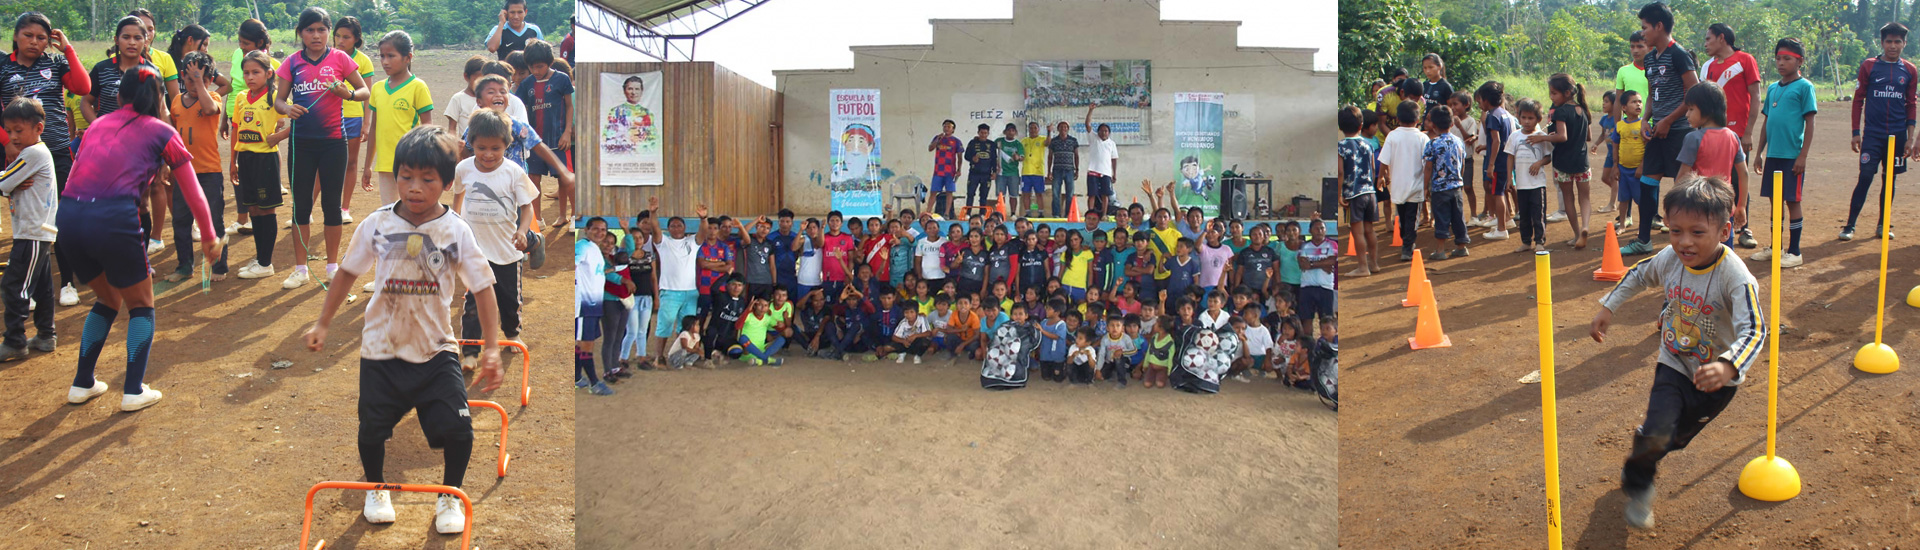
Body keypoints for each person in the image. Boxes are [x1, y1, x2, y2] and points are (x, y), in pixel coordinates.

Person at [301, 125, 501, 534]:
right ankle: (377, 487)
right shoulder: (377, 223)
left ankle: (450, 496)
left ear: (446, 183)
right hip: (382, 348)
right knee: (372, 430)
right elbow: (347, 274)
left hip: (435, 350)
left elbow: (482, 288)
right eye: (406, 176)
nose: (414, 187)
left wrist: (493, 347)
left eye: (427, 180)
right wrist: (323, 322)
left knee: (459, 431)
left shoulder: (455, 230)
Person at [1589, 178, 1762, 530]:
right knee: (1657, 433)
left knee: (1673, 440)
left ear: (1725, 230)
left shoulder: (1736, 277)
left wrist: (1728, 366)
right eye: (1675, 231)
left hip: (1716, 381)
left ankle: (1644, 451)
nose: (1684, 242)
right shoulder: (1670, 258)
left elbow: (1755, 330)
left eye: (1698, 232)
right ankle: (1639, 484)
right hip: (1673, 363)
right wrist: (1609, 307)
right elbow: (1638, 274)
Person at [59, 65, 219, 412]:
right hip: (114, 219)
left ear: (118, 97)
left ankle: (82, 382)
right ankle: (133, 389)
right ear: (161, 98)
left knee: (106, 300)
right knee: (142, 305)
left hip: (69, 217)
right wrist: (208, 235)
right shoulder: (161, 132)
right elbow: (193, 192)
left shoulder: (97, 124)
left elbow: (81, 165)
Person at [275, 8, 372, 289]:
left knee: (331, 205)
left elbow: (365, 91)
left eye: (321, 29)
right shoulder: (292, 62)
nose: (315, 35)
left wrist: (348, 94)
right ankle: (300, 268)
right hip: (301, 143)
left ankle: (332, 266)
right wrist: (287, 107)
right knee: (301, 206)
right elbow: (279, 100)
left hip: (333, 142)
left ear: (328, 31)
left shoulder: (340, 58)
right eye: (309, 30)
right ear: (300, 33)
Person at [5, 13, 89, 307]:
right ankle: (27, 287)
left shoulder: (55, 63)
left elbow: (83, 87)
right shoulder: (3, 66)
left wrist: (67, 48)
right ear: (16, 36)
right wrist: (9, 145)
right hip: (15, 153)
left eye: (42, 38)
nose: (35, 42)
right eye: (28, 35)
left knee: (59, 216)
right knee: (26, 217)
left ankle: (67, 282)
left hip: (54, 152)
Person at [451, 108, 537, 370]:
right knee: (473, 303)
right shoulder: (463, 168)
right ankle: (470, 352)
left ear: (506, 145)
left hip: (507, 250)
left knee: (509, 301)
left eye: (495, 148)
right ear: (472, 144)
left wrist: (522, 231)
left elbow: (527, 207)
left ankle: (512, 334)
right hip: (475, 251)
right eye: (481, 147)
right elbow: (457, 196)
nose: (488, 154)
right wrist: (454, 222)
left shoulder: (513, 172)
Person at [1625, 2, 1698, 256]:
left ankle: (1688, 243)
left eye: (1645, 27)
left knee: (1684, 189)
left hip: (1679, 131)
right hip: (1658, 130)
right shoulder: (1650, 59)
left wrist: (1669, 120)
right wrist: (1647, 119)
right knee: (1646, 182)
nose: (1642, 33)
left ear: (1659, 26)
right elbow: (1652, 96)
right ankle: (1644, 240)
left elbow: (1694, 92)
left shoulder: (1679, 54)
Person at [1845, 22, 1918, 241]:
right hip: (1873, 135)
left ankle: (1882, 224)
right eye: (1889, 41)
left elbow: (1911, 104)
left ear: (1904, 43)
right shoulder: (1869, 66)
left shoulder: (1910, 70)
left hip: (1897, 135)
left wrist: (1910, 136)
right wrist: (1855, 131)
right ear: (1882, 42)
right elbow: (1858, 100)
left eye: (1897, 42)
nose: (1893, 46)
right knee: (1866, 176)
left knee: (1890, 180)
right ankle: (1849, 225)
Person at [1748, 38, 1817, 268]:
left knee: (1792, 200)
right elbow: (1767, 122)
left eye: (1787, 58)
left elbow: (1810, 123)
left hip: (1791, 157)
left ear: (1800, 61)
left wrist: (1803, 156)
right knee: (1774, 202)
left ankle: (1795, 251)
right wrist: (1759, 153)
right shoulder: (1773, 88)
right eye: (1778, 58)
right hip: (1773, 156)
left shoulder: (1805, 87)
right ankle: (1776, 247)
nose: (1781, 62)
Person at [0, 98, 59, 360]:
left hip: (32, 232)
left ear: (38, 128)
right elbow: (7, 182)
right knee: (41, 287)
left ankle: (14, 341)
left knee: (14, 286)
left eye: (18, 130)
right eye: (8, 131)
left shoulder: (32, 153)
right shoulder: (32, 152)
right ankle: (46, 335)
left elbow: (3, 182)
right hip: (37, 231)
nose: (12, 137)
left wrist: (8, 182)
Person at [163, 52, 229, 284]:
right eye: (189, 79)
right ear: (182, 77)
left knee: (214, 219)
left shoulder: (212, 97)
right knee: (180, 220)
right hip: (183, 172)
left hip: (209, 171)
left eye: (200, 79)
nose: (194, 84)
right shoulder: (176, 102)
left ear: (209, 80)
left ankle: (219, 266)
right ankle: (184, 266)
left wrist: (199, 81)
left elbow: (210, 110)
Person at [1702, 22, 1763, 249]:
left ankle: (1743, 227)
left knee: (1739, 179)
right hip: (1714, 134)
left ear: (1721, 38)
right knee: (1716, 179)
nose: (1705, 44)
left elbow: (1755, 96)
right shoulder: (1709, 68)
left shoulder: (1745, 60)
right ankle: (1716, 226)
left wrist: (1748, 132)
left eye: (1708, 39)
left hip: (1738, 134)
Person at [363, 30, 434, 210]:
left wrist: (426, 162)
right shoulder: (378, 89)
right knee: (389, 211)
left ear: (407, 57)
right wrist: (368, 166)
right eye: (382, 56)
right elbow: (374, 129)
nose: (385, 61)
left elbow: (428, 129)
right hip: (385, 164)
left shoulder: (418, 86)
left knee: (412, 209)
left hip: (411, 163)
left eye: (391, 56)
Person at [1675, 84, 1749, 242]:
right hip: (1725, 206)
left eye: (1691, 109)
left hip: (1698, 207)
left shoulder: (1693, 138)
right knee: (1725, 253)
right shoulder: (1733, 136)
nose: (1687, 114)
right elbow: (1744, 174)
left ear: (1706, 109)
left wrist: (1673, 206)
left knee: (1700, 254)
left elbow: (1681, 177)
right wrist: (1741, 205)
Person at [1528, 73, 1592, 250]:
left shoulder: (1561, 112)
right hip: (1582, 162)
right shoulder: (1582, 109)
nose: (1551, 97)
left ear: (1566, 93)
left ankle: (1577, 234)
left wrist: (1542, 138)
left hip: (1563, 163)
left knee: (1569, 198)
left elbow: (1562, 136)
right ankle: (1586, 226)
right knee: (1585, 198)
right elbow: (1588, 136)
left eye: (1554, 93)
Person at [516, 39, 573, 230]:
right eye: (532, 67)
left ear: (549, 62)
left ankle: (571, 216)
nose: (536, 71)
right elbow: (520, 108)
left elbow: (569, 105)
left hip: (558, 140)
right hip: (534, 143)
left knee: (565, 178)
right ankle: (537, 219)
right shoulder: (526, 84)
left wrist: (567, 132)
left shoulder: (562, 79)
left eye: (539, 66)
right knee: (534, 179)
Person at [333, 17, 376, 226]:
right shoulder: (327, 56)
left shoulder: (364, 61)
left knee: (350, 163)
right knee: (321, 164)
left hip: (353, 117)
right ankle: (308, 209)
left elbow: (367, 94)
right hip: (329, 116)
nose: (341, 40)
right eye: (338, 35)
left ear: (356, 39)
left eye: (346, 37)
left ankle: (344, 208)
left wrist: (366, 124)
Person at [1380, 101, 1429, 260]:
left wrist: (1381, 176)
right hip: (1416, 185)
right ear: (1418, 119)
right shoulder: (1423, 138)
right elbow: (1427, 164)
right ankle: (1407, 247)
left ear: (1397, 118)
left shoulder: (1392, 136)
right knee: (1412, 218)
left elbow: (1384, 160)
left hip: (1398, 186)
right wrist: (1427, 184)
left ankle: (1406, 245)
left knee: (1402, 216)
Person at [1424, 106, 1471, 259]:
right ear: (1452, 123)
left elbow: (1428, 168)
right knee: (1458, 216)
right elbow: (1462, 163)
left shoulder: (1432, 144)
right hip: (1456, 186)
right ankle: (1461, 246)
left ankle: (1440, 250)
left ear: (1433, 125)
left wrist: (1425, 187)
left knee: (1441, 217)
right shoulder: (1458, 141)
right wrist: (1460, 179)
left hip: (1440, 188)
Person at [573, 218, 614, 393]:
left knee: (581, 342)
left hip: (593, 304)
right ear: (586, 229)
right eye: (595, 229)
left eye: (603, 229)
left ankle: (576, 377)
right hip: (585, 304)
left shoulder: (594, 248)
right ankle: (594, 383)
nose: (600, 232)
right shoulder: (582, 246)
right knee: (586, 344)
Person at [1338, 106, 1379, 276]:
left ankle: (1362, 267)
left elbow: (1340, 172)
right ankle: (1374, 264)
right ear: (1361, 125)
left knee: (1357, 232)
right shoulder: (1368, 144)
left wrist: (1339, 194)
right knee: (1369, 230)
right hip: (1370, 192)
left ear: (1340, 127)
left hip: (1353, 194)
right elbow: (1373, 168)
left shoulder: (1341, 146)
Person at [1509, 99, 1554, 252]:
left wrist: (1539, 163)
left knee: (1538, 213)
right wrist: (1510, 177)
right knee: (1524, 215)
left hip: (1537, 183)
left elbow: (1549, 156)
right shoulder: (1514, 136)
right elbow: (1509, 156)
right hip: (1521, 183)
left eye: (1531, 118)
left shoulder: (1541, 136)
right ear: (1519, 117)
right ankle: (1526, 242)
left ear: (1538, 119)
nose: (1527, 122)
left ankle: (1540, 241)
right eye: (1523, 118)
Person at [1613, 91, 1648, 232]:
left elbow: (1648, 147)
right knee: (1623, 199)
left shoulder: (1644, 125)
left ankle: (1642, 227)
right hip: (1623, 169)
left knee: (1641, 200)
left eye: (1639, 101)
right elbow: (1615, 145)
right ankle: (1622, 224)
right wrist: (1615, 166)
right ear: (1624, 108)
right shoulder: (1620, 125)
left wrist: (1641, 166)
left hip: (1637, 171)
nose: (1638, 104)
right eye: (1633, 102)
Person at [980, 302, 1036, 389]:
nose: (1018, 316)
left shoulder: (1028, 329)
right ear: (1011, 316)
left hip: (1017, 360)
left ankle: (1015, 373)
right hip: (1004, 359)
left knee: (1024, 369)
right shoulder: (1006, 327)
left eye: (1020, 314)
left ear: (1026, 315)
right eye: (1015, 314)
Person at [1298, 218, 1337, 329]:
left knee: (1326, 321)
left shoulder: (1332, 244)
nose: (1319, 231)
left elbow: (1332, 261)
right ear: (1310, 230)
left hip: (1325, 287)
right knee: (1306, 320)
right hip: (1307, 287)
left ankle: (1327, 344)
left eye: (1322, 228)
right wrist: (1323, 264)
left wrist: (1310, 264)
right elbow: (1302, 264)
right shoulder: (1304, 246)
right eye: (1316, 228)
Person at [1085, 106, 1118, 217]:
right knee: (1092, 195)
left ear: (1109, 133)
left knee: (1105, 195)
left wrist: (1114, 173)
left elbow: (1114, 159)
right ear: (1098, 132)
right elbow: (1087, 124)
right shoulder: (1094, 138)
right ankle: (1090, 214)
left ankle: (1104, 215)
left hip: (1106, 173)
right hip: (1093, 171)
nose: (1104, 133)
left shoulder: (1111, 143)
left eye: (1106, 131)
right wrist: (1090, 110)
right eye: (1102, 130)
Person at [734, 297, 785, 366]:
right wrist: (748, 310)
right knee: (743, 338)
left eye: (765, 305)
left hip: (762, 349)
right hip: (747, 350)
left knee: (781, 339)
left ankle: (760, 360)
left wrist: (781, 325)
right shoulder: (748, 315)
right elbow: (737, 326)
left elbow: (780, 328)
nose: (763, 308)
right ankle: (767, 359)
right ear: (755, 305)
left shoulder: (768, 317)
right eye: (760, 305)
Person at [927, 120, 962, 218]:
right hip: (938, 170)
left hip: (950, 171)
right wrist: (937, 140)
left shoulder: (956, 141)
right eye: (945, 126)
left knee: (949, 192)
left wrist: (959, 169)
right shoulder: (938, 138)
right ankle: (928, 212)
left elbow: (959, 157)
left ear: (953, 130)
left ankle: (946, 213)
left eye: (949, 127)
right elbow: (930, 148)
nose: (946, 128)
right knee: (933, 191)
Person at [962, 122, 998, 215]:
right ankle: (968, 214)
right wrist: (972, 159)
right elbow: (966, 156)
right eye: (981, 133)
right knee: (970, 194)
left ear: (988, 133)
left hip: (986, 174)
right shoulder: (972, 143)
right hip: (974, 173)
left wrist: (994, 172)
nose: (983, 135)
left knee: (983, 195)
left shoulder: (992, 144)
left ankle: (982, 214)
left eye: (985, 133)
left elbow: (994, 159)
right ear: (978, 132)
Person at [1048, 120, 1080, 217]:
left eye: (1065, 127)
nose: (1063, 129)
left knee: (1070, 194)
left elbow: (1077, 155)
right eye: (1061, 127)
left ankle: (1068, 214)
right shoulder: (1054, 141)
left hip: (1070, 170)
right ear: (1058, 129)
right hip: (1057, 170)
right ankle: (1056, 214)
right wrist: (1049, 171)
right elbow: (1050, 156)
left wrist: (1077, 169)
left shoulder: (1073, 140)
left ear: (1068, 129)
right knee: (1055, 193)